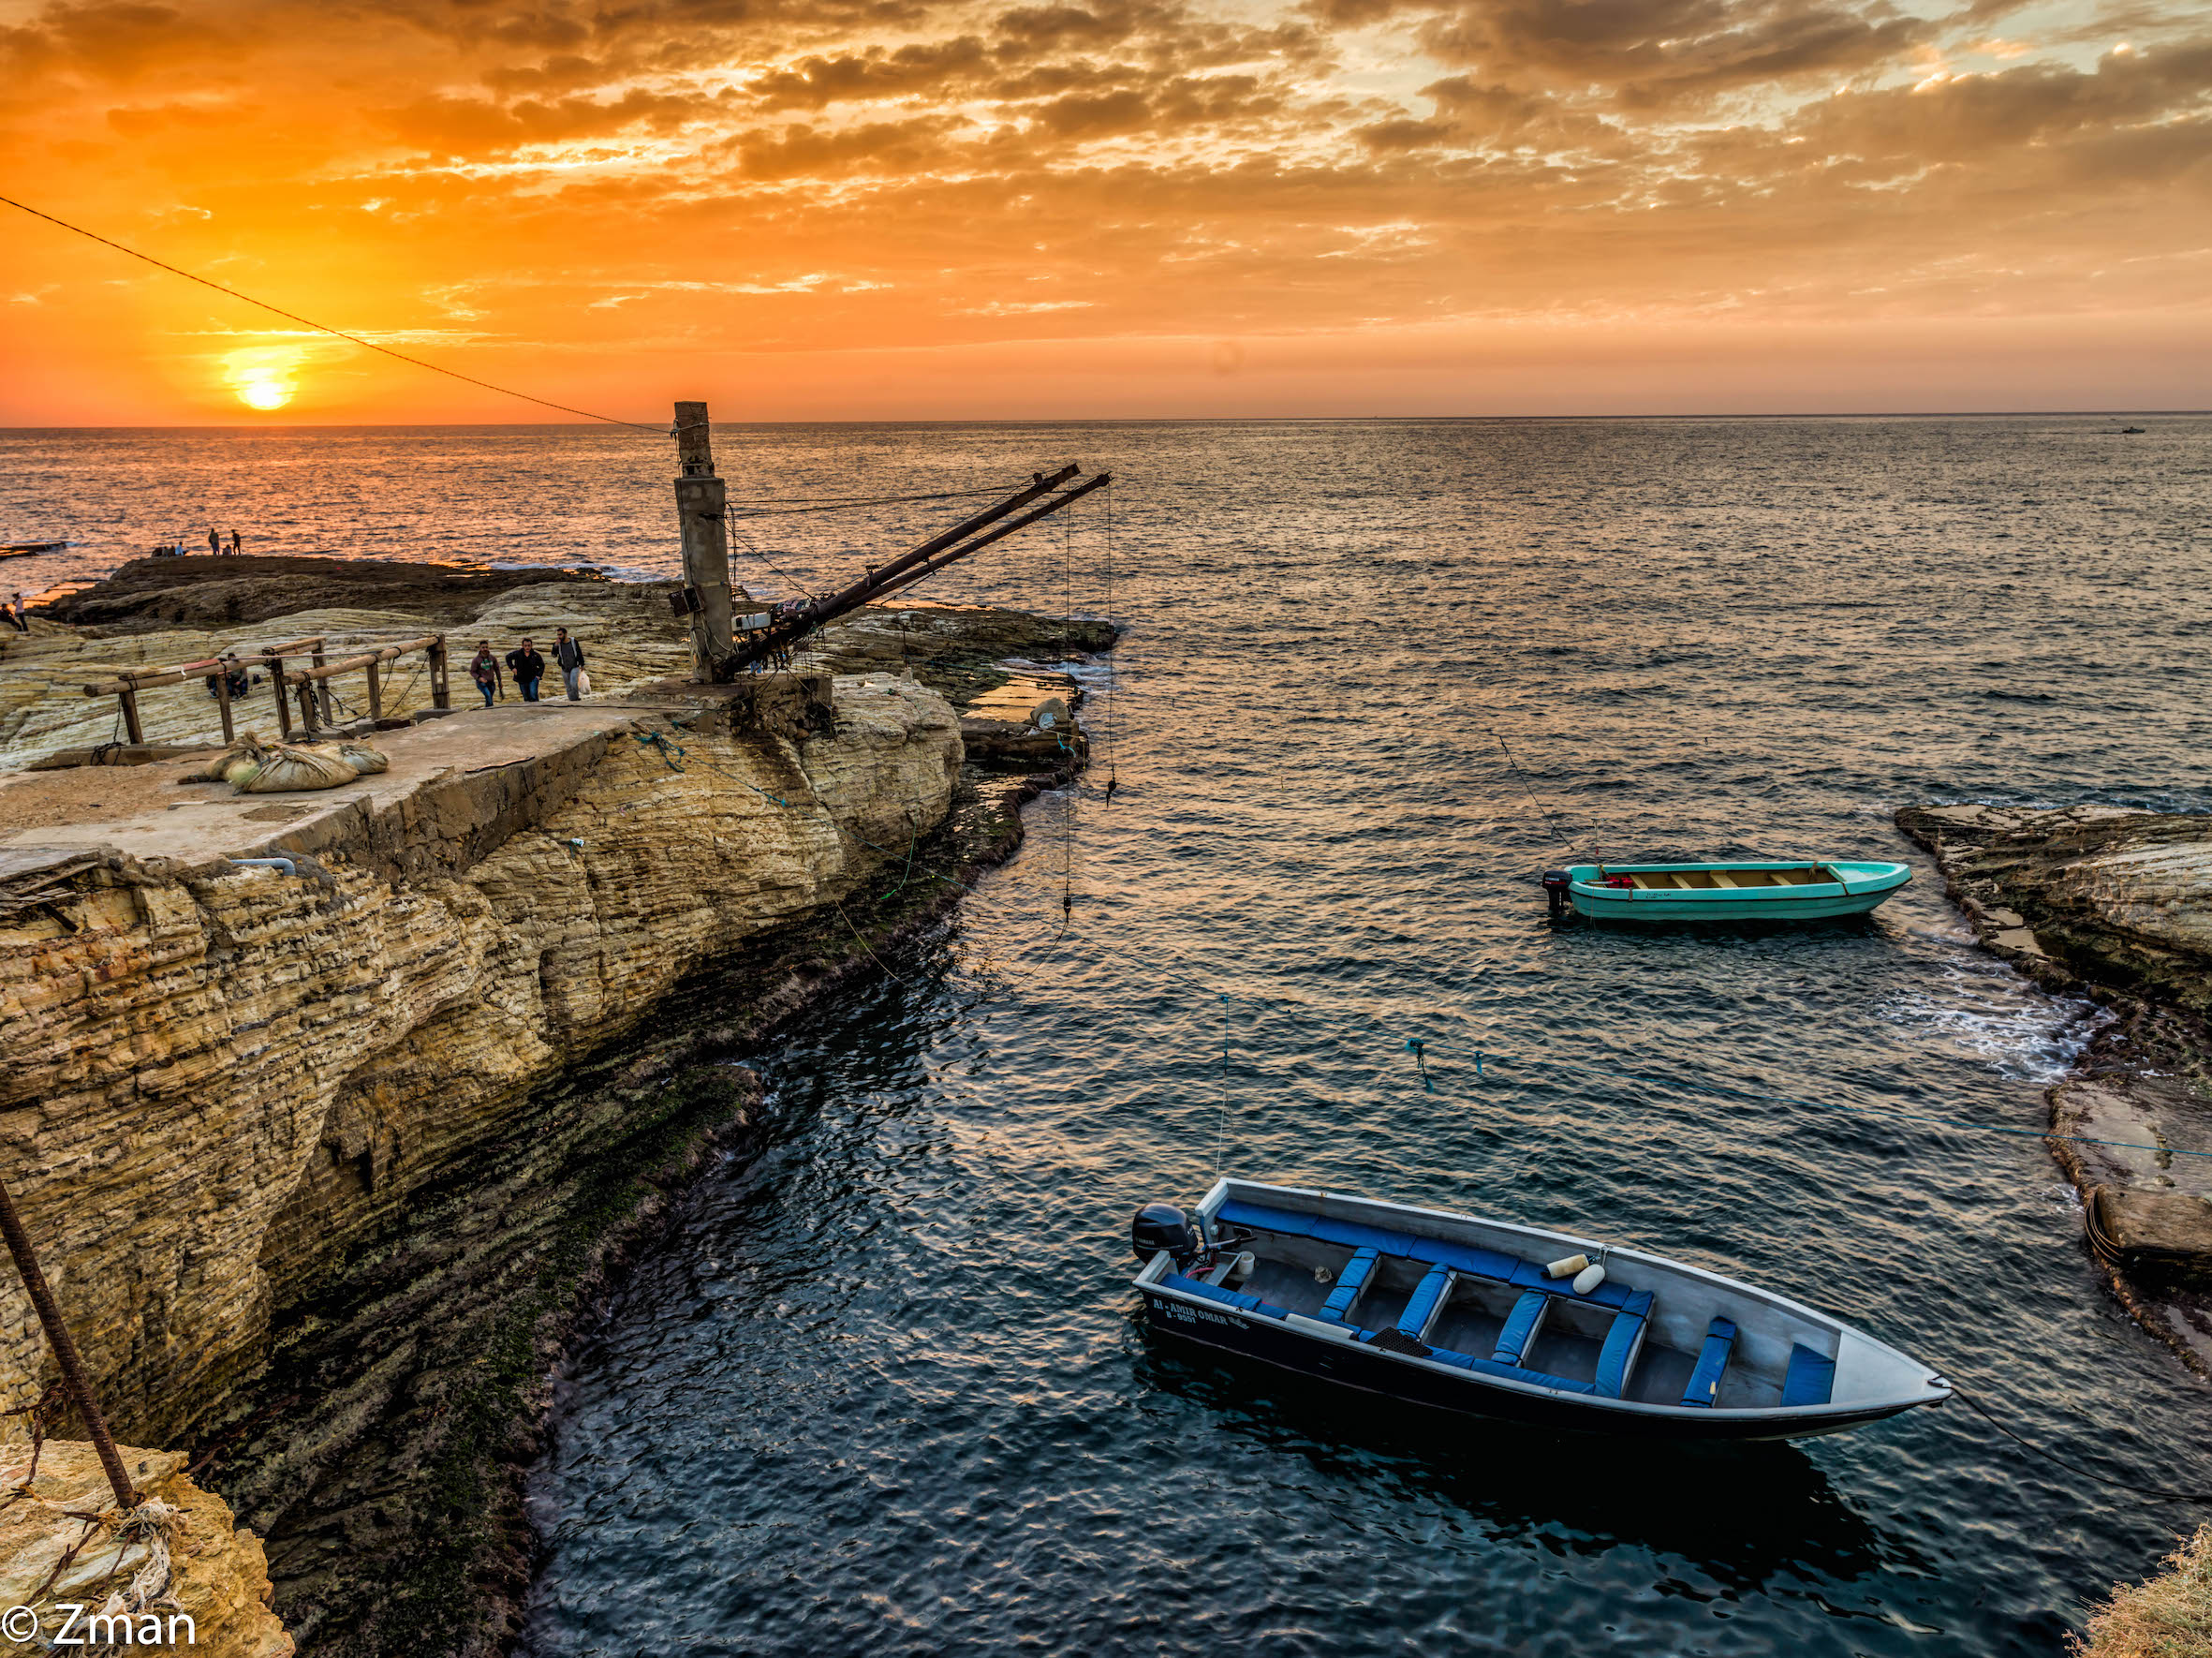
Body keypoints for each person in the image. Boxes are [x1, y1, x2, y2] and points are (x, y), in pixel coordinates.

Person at [506, 637, 545, 703]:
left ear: (531, 646)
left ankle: (537, 708)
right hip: (521, 678)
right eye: (525, 646)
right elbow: (507, 657)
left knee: (533, 694)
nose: (527, 647)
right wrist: (512, 668)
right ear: (522, 646)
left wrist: (539, 675)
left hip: (533, 678)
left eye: (529, 646)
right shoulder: (517, 654)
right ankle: (529, 710)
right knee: (526, 696)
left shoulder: (535, 655)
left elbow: (542, 665)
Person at [553, 628, 586, 702]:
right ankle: (572, 700)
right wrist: (556, 646)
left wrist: (582, 664)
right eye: (558, 635)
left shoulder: (573, 642)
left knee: (573, 683)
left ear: (565, 634)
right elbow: (554, 655)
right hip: (564, 667)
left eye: (560, 634)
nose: (559, 637)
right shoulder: (558, 644)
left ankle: (576, 698)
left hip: (574, 666)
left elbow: (579, 652)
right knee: (568, 686)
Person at [468, 641, 504, 708]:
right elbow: (472, 672)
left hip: (491, 682)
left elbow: (497, 670)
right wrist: (479, 678)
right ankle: (491, 712)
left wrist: (500, 681)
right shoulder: (476, 660)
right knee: (488, 696)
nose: (485, 649)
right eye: (483, 647)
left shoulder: (492, 658)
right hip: (482, 683)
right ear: (480, 648)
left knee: (489, 699)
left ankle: (487, 713)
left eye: (486, 647)